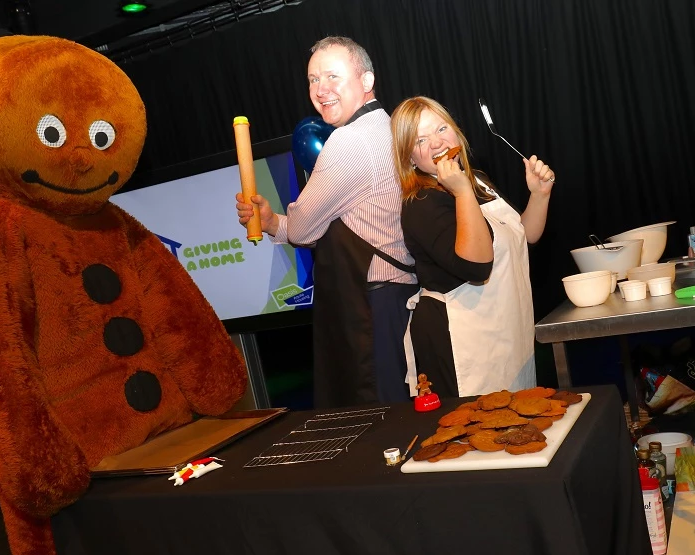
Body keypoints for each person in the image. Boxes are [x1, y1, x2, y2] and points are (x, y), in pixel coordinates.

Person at [235, 36, 418, 408]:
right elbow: (349, 220)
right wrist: (272, 221)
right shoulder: (391, 126)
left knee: (378, 419)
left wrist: (274, 223)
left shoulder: (348, 142)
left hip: (370, 305)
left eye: (333, 76)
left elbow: (303, 229)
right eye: (313, 79)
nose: (321, 89)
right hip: (401, 298)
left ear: (366, 81)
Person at [389, 96, 555, 399]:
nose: (437, 143)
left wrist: (539, 194)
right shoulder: (422, 204)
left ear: (455, 132)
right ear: (410, 157)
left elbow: (524, 234)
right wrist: (462, 191)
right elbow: (478, 268)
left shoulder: (477, 180)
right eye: (420, 139)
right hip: (462, 344)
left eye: (441, 129)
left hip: (507, 332)